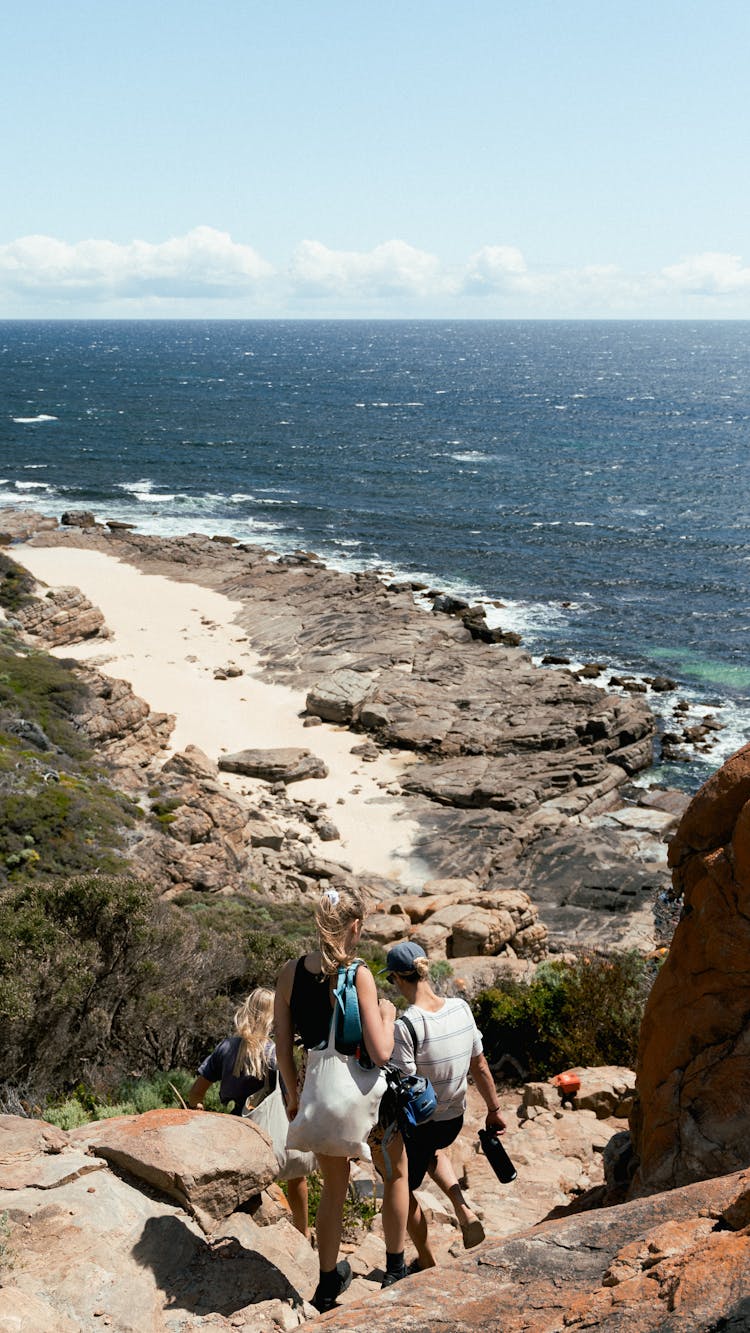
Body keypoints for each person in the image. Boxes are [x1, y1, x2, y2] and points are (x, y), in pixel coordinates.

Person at [275, 885, 396, 1314]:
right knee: (392, 1177)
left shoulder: (288, 973)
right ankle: (395, 1266)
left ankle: (327, 1284)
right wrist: (387, 1014)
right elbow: (381, 1052)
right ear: (355, 927)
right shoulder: (359, 973)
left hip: (315, 1093)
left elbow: (282, 1046)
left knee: (331, 1190)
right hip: (356, 1095)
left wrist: (292, 1097)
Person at [373, 940, 507, 1284]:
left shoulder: (408, 1025)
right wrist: (494, 1109)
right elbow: (480, 1065)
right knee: (431, 1152)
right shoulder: (461, 1008)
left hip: (421, 1123)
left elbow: (399, 1080)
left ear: (400, 980)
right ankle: (462, 1208)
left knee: (401, 1184)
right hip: (453, 1119)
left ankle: (427, 1260)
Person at [186, 987, 310, 1238]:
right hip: (270, 1133)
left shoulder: (226, 1047)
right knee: (297, 1177)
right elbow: (290, 1099)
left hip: (235, 1132)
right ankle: (302, 1233)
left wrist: (198, 1111)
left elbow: (195, 1093)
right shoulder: (275, 1052)